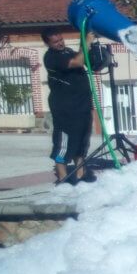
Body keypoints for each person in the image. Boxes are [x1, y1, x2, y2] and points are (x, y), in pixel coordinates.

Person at [42, 27, 96, 185]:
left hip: (82, 105)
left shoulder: (68, 51)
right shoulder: (51, 57)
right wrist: (86, 42)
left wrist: (87, 45)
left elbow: (83, 58)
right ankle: (62, 177)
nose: (60, 43)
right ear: (47, 44)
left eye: (61, 40)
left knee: (81, 140)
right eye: (55, 42)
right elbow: (78, 61)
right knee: (64, 142)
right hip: (65, 108)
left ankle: (80, 173)